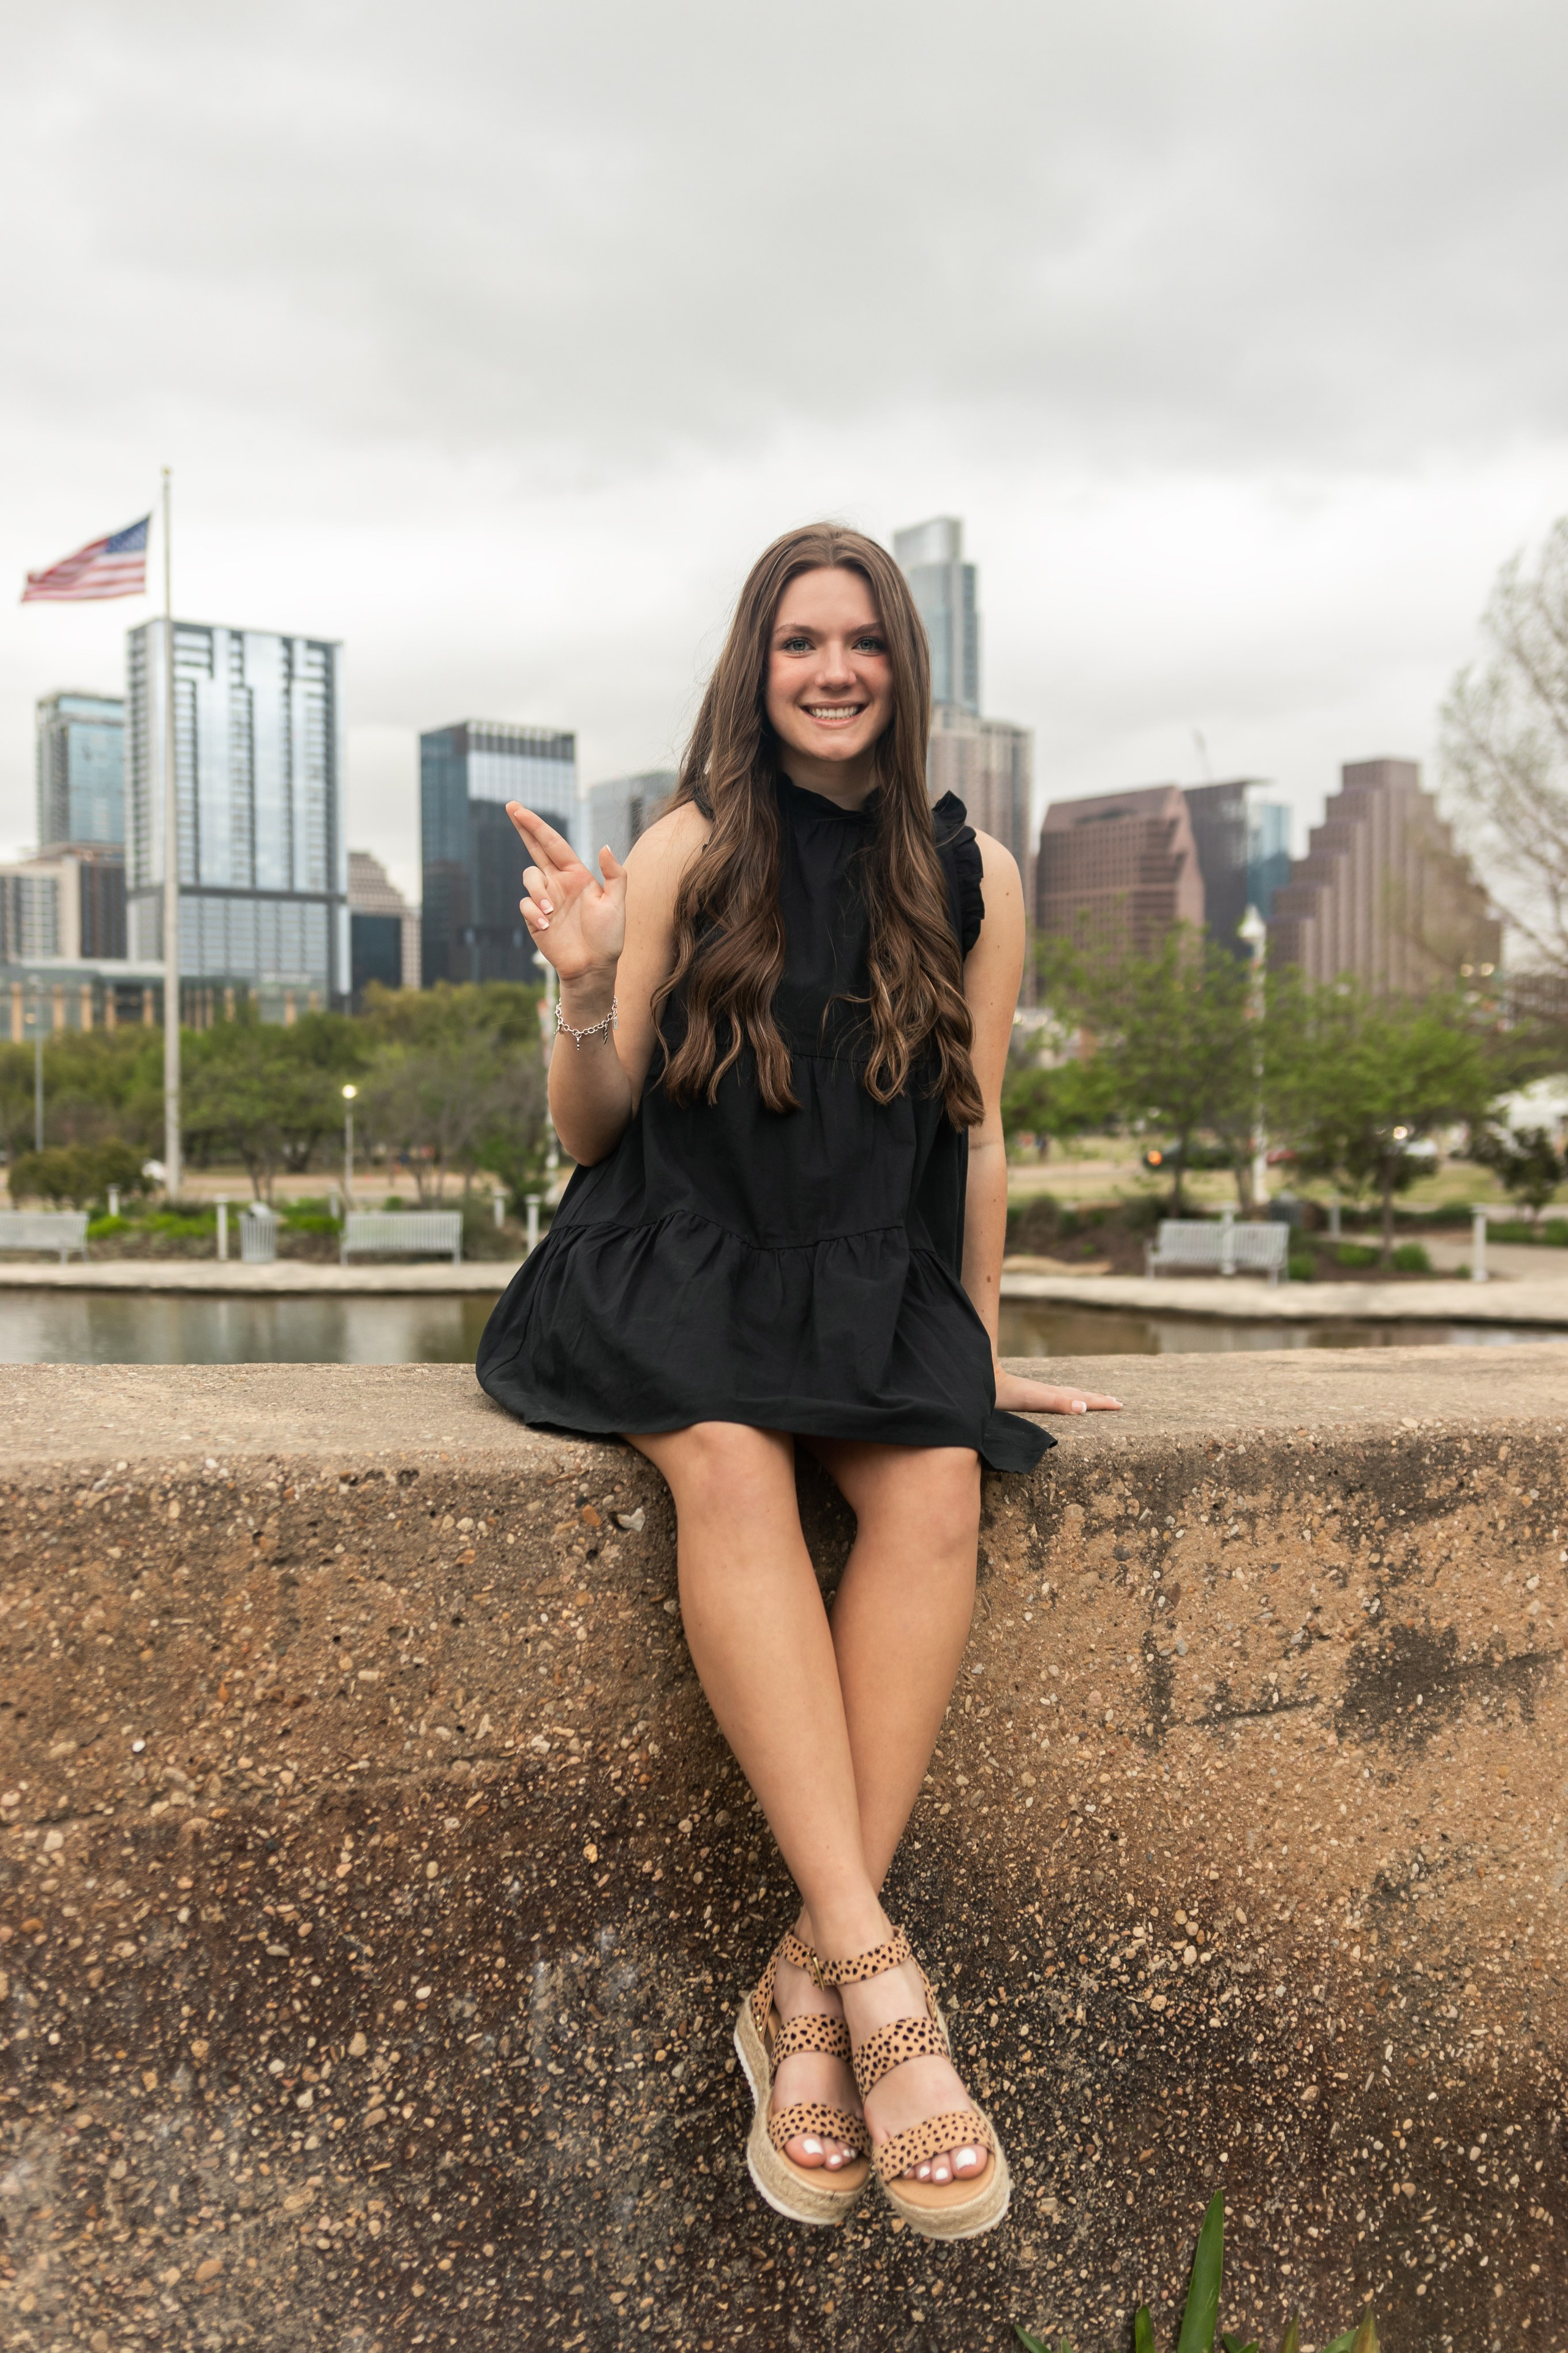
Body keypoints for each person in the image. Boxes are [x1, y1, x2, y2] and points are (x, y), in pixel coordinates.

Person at [478, 524, 1120, 2240]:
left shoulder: (965, 878)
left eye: (864, 642)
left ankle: (800, 1987)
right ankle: (880, 1987)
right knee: (736, 1466)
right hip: (670, 1260)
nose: (833, 669)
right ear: (755, 670)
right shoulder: (693, 840)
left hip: (854, 1277)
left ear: (904, 671)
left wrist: (971, 1348)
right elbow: (597, 1131)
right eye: (799, 642)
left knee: (934, 1477)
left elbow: (973, 1136)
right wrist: (584, 985)